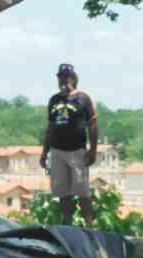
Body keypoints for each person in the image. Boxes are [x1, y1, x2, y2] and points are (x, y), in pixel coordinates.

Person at [40, 63, 98, 227]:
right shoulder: (54, 100)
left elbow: (92, 125)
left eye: (66, 76)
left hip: (77, 151)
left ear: (73, 78)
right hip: (57, 152)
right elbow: (50, 127)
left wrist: (93, 150)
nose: (62, 79)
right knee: (63, 193)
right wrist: (44, 153)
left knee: (82, 192)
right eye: (60, 76)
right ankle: (68, 226)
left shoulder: (83, 98)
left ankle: (89, 227)